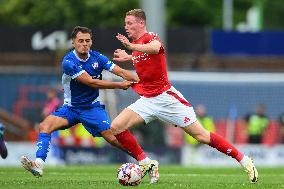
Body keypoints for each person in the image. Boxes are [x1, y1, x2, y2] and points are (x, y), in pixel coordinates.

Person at [111, 9, 258, 184]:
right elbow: (143, 59)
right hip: (148, 100)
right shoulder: (136, 48)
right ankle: (147, 163)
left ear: (141, 23)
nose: (126, 27)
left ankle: (244, 160)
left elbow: (155, 48)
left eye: (130, 23)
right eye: (125, 23)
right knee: (116, 127)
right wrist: (128, 56)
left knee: (202, 136)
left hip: (167, 99)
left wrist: (130, 47)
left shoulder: (150, 38)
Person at [20, 26, 158, 182]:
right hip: (71, 108)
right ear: (73, 43)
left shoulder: (98, 57)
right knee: (45, 126)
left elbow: (120, 71)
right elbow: (91, 82)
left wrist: (143, 81)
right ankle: (38, 164)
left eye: (87, 41)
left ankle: (146, 162)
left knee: (113, 139)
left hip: (92, 109)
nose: (84, 44)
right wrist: (119, 85)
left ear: (91, 42)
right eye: (80, 41)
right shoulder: (68, 62)